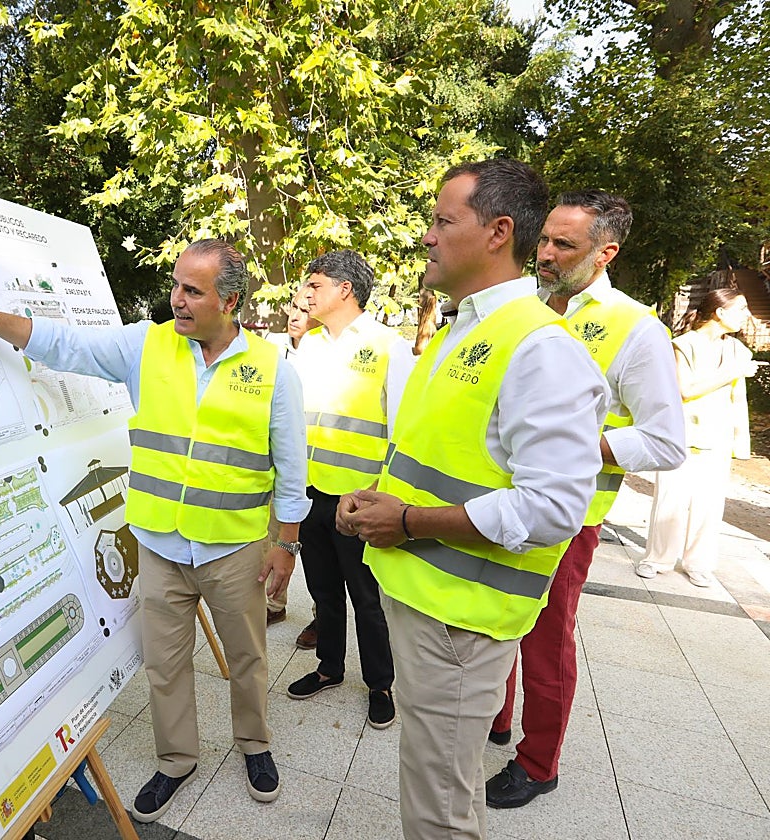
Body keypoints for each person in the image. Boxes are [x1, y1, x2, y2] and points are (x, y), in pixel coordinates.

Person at [0, 239, 310, 823]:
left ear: (228, 301)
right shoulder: (145, 346)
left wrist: (285, 545)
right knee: (165, 662)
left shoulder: (274, 370)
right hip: (158, 544)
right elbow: (64, 345)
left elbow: (291, 467)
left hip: (233, 548)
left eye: (191, 291)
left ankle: (254, 744)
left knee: (248, 655)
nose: (175, 299)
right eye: (175, 285)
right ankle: (176, 759)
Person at [335, 159, 607, 840]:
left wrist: (408, 521)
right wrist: (381, 498)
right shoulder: (464, 330)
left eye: (441, 219)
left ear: (498, 232)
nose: (426, 236)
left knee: (440, 810)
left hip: (461, 624)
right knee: (432, 786)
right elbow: (451, 459)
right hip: (427, 603)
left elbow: (550, 511)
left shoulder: (541, 349)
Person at [485, 190, 687, 809]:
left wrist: (576, 444)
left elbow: (666, 442)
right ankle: (495, 718)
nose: (543, 253)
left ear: (606, 253)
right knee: (496, 621)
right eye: (543, 239)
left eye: (562, 245)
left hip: (568, 521)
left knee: (547, 640)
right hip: (497, 501)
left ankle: (538, 761)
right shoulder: (518, 305)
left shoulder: (636, 328)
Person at [284, 249, 413, 729]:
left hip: (359, 499)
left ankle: (380, 683)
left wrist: (382, 494)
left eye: (314, 284)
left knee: (366, 596)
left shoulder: (387, 346)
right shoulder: (310, 346)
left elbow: (403, 429)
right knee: (321, 589)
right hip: (312, 491)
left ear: (345, 289)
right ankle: (330, 668)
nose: (306, 293)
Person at [636, 288, 756, 587]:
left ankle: (698, 563)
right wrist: (733, 371)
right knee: (670, 501)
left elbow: (737, 399)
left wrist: (741, 441)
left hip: (719, 436)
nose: (746, 315)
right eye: (741, 309)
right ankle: (657, 559)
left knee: (709, 504)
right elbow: (685, 389)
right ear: (720, 312)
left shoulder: (738, 352)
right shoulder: (683, 345)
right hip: (683, 434)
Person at [265, 289, 318, 626]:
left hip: (321, 470)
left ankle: (321, 616)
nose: (295, 316)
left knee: (317, 554)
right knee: (276, 537)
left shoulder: (327, 355)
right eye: (293, 309)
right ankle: (274, 603)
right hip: (278, 465)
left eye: (304, 311)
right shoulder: (272, 350)